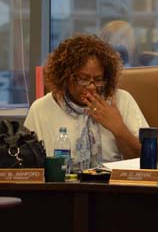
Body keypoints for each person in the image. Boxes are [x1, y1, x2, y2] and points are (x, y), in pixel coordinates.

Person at [24, 34, 148, 167]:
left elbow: (147, 162)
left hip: (114, 185)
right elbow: (29, 165)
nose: (91, 86)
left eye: (98, 80)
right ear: (65, 76)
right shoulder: (41, 109)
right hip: (61, 185)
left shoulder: (122, 101)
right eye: (83, 78)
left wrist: (118, 128)